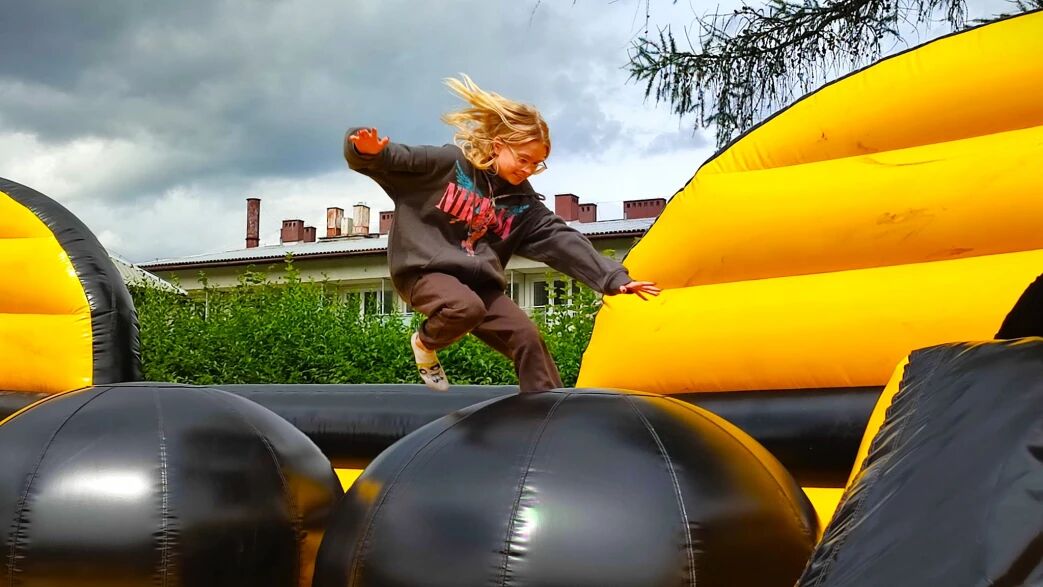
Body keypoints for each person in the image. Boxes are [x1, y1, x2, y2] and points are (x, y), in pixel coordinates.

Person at [344, 74, 660, 393]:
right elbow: (396, 158)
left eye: (537, 164)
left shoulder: (523, 204)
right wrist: (365, 150)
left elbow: (562, 240)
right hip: (425, 272)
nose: (528, 169)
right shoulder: (447, 165)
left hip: (479, 285)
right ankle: (425, 342)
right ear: (498, 146)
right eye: (523, 159)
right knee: (465, 307)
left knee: (527, 338)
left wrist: (613, 278)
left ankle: (548, 408)